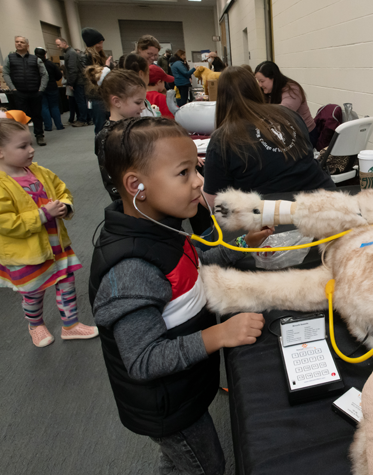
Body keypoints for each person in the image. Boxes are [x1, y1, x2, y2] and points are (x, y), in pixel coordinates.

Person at [88, 116, 271, 474]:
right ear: (136, 185)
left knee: (178, 465)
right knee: (205, 467)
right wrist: (219, 334)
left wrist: (241, 247)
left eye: (196, 169)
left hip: (186, 386)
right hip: (168, 406)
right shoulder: (131, 269)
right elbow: (143, 360)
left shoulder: (159, 228)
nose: (199, 181)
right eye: (183, 173)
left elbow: (193, 267)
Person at [0, 109, 98, 347]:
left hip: (56, 245)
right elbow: (4, 224)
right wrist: (42, 214)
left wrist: (65, 206)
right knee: (33, 293)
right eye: (22, 147)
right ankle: (35, 325)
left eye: (30, 144)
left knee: (66, 283)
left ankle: (70, 325)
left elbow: (61, 189)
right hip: (26, 254)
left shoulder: (38, 172)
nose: (31, 150)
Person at [203, 67, 335, 206]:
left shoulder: (223, 138)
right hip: (328, 202)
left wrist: (198, 182)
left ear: (221, 98)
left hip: (279, 217)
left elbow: (214, 204)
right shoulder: (288, 114)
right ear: (255, 88)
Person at [84, 64, 147, 201]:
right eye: (138, 102)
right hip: (133, 201)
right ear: (116, 101)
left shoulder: (132, 126)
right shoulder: (108, 137)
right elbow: (112, 180)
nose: (143, 108)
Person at [254, 61, 319, 148]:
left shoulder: (292, 89)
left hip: (305, 135)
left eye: (262, 81)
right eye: (258, 81)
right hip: (286, 134)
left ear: (273, 78)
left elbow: (283, 112)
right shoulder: (268, 91)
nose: (260, 85)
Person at [1, 36, 48, 146]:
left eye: (22, 42)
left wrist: (41, 89)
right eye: (17, 42)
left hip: (35, 92)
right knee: (21, 117)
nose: (19, 44)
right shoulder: (9, 58)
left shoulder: (35, 59)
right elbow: (6, 73)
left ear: (27, 45)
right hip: (19, 92)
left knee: (37, 115)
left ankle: (39, 135)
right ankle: (25, 138)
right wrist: (13, 88)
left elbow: (44, 74)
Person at [80, 27, 112, 134]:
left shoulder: (101, 56)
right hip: (96, 96)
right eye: (98, 43)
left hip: (106, 94)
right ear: (92, 43)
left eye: (102, 42)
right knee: (100, 126)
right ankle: (101, 148)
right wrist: (106, 67)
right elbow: (93, 77)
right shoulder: (84, 58)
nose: (101, 46)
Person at [56, 36, 88, 127]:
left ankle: (83, 120)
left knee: (80, 101)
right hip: (77, 81)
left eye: (58, 45)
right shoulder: (69, 53)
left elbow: (72, 69)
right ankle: (82, 118)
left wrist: (71, 83)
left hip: (78, 81)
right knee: (80, 101)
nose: (58, 47)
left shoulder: (71, 53)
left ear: (64, 43)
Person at [33, 48, 64, 132]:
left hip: (39, 88)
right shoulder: (51, 64)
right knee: (54, 106)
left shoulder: (33, 65)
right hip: (52, 87)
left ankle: (48, 126)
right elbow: (59, 76)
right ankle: (59, 125)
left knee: (44, 107)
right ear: (45, 54)